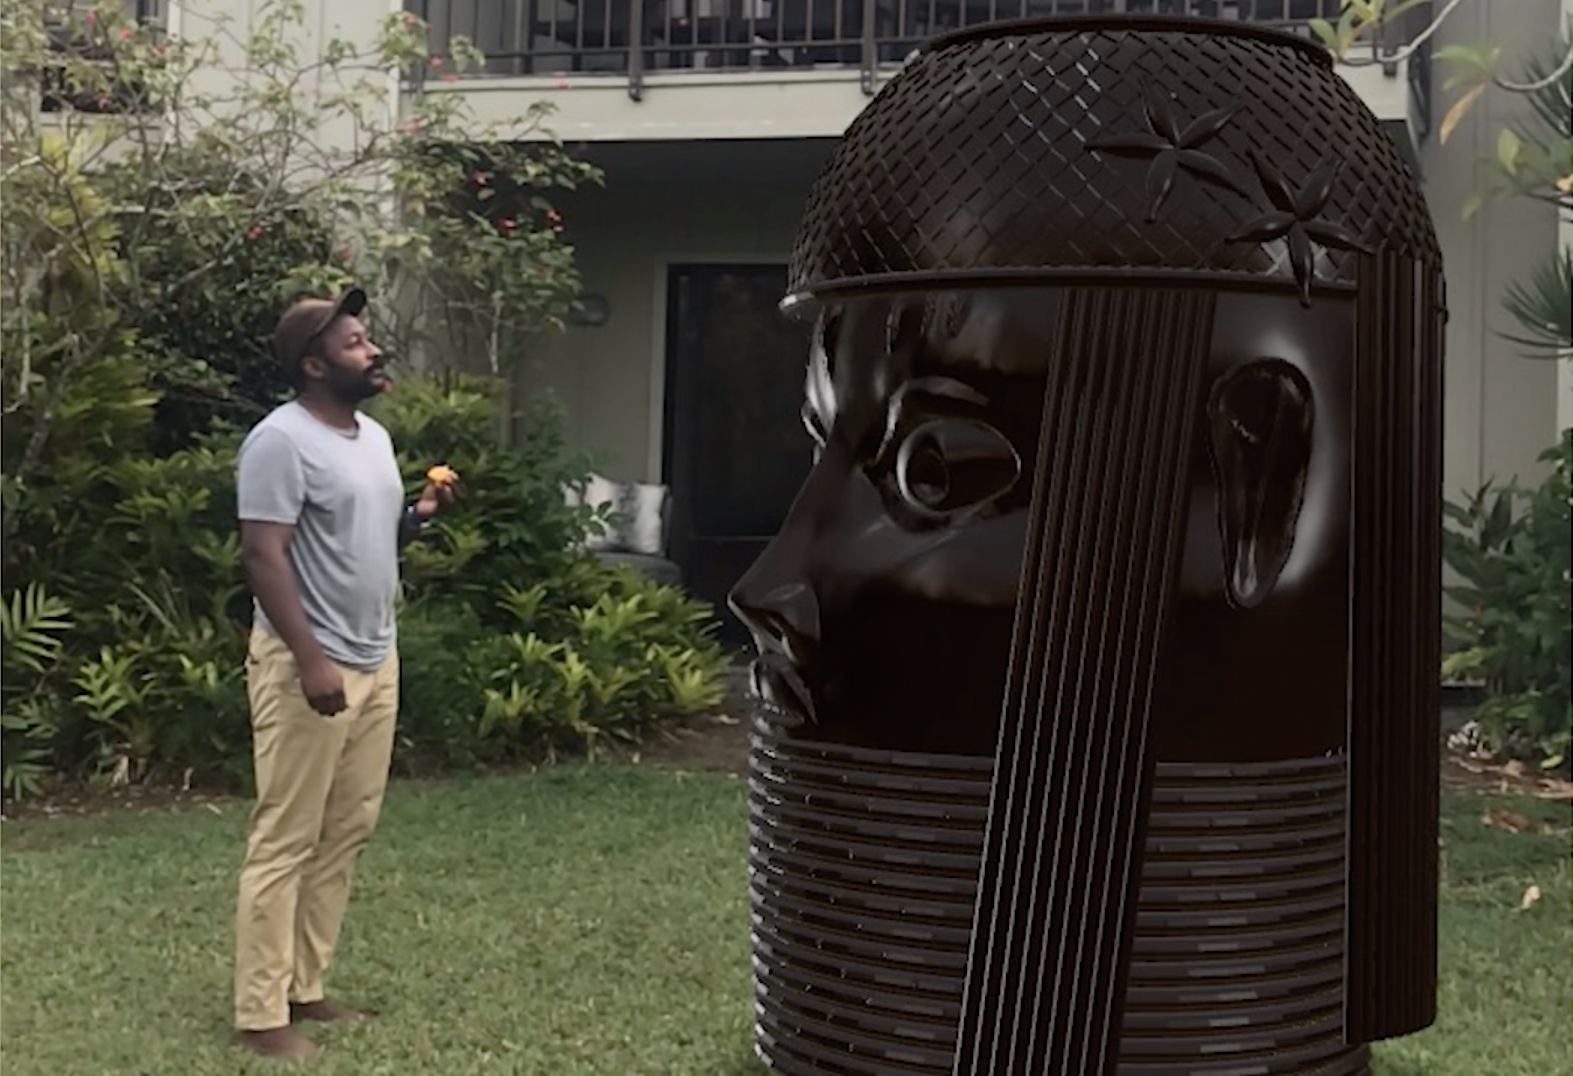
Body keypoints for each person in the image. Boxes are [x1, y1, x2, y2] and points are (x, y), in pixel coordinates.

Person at [231, 287, 457, 1059]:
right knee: (285, 838)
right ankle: (262, 1016)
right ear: (314, 363)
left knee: (345, 831)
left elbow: (370, 535)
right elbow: (264, 555)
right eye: (357, 343)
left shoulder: (374, 438)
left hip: (374, 656)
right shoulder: (278, 442)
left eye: (367, 338)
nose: (373, 351)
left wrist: (419, 513)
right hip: (310, 665)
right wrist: (309, 659)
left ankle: (306, 987)